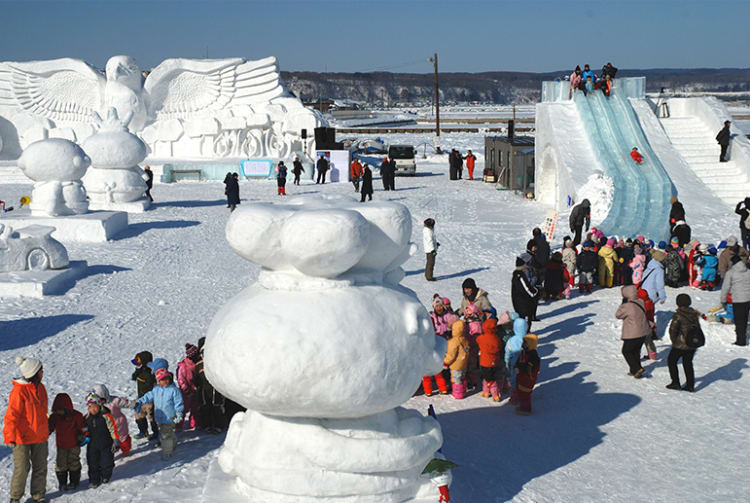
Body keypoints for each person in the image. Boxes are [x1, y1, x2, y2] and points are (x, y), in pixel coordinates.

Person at [4, 357, 48, 503]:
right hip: (21, 438)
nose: (43, 372)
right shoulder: (19, 391)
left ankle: (38, 495)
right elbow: (12, 415)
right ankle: (15, 498)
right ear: (34, 373)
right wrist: (9, 435)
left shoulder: (41, 388)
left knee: (40, 467)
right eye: (41, 370)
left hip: (40, 436)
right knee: (22, 469)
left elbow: (43, 412)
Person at [135, 367, 184, 460]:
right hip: (159, 417)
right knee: (167, 433)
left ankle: (167, 451)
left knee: (165, 435)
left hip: (170, 417)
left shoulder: (174, 390)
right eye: (162, 379)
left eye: (166, 378)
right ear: (158, 381)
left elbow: (179, 403)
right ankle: (173, 441)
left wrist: (179, 413)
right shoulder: (156, 390)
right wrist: (140, 401)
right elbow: (148, 396)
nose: (165, 381)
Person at [48, 393, 84, 491]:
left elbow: (83, 427)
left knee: (74, 463)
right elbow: (49, 427)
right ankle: (62, 483)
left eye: (60, 410)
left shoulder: (76, 416)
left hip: (74, 445)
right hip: (61, 446)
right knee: (61, 464)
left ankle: (74, 481)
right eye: (56, 410)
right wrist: (45, 432)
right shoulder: (54, 417)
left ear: (66, 408)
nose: (58, 412)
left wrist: (83, 435)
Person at [83, 393, 119, 488]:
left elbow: (113, 428)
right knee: (92, 462)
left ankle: (106, 475)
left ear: (99, 405)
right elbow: (83, 429)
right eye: (90, 407)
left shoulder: (106, 416)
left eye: (95, 407)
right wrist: (83, 436)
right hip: (92, 445)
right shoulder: (86, 418)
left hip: (106, 444)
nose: (92, 409)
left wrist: (115, 440)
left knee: (106, 462)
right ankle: (94, 480)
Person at [666, 294, 701, 391]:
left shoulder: (678, 315)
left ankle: (675, 382)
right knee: (688, 363)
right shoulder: (694, 314)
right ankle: (690, 385)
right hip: (692, 343)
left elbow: (673, 330)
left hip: (680, 344)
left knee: (671, 361)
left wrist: (674, 341)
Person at [616, 286, 650, 378]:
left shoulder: (627, 306)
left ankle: (637, 368)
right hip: (643, 332)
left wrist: (622, 304)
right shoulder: (641, 302)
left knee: (626, 351)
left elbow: (618, 315)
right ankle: (634, 371)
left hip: (632, 333)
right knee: (635, 351)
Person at [90, 384, 133, 456]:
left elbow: (125, 402)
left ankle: (126, 451)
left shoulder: (114, 401)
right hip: (107, 427)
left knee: (124, 440)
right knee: (108, 441)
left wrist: (135, 404)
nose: (100, 402)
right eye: (97, 400)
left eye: (101, 400)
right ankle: (109, 454)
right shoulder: (96, 406)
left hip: (119, 425)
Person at [721, 254, 750, 346]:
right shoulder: (748, 271)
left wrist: (723, 300)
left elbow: (725, 287)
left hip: (738, 300)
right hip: (748, 299)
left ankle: (741, 341)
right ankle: (743, 337)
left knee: (739, 321)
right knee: (745, 319)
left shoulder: (731, 273)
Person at [130, 351, 159, 441]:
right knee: (139, 415)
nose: (136, 366)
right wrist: (137, 370)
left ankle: (156, 432)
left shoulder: (151, 373)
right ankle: (143, 431)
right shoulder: (139, 372)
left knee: (152, 417)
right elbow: (133, 377)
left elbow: (155, 383)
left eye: (139, 363)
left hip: (150, 400)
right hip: (141, 399)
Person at [443, 320, 470, 399]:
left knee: (456, 378)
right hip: (464, 363)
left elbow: (451, 355)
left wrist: (445, 362)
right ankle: (463, 390)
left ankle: (458, 393)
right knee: (462, 377)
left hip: (455, 364)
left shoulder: (453, 342)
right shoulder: (465, 339)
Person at [514, 333, 540, 415]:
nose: (523, 344)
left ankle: (526, 409)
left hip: (527, 378)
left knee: (525, 394)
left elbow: (530, 368)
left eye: (525, 343)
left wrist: (521, 369)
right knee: (521, 392)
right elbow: (519, 361)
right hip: (521, 376)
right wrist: (516, 366)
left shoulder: (533, 356)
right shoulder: (524, 352)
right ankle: (522, 406)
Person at [476, 318, 502, 402]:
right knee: (488, 376)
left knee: (489, 378)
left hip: (485, 362)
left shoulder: (482, 338)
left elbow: (477, 341)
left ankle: (495, 394)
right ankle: (486, 391)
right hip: (495, 361)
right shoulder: (496, 338)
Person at [511, 254, 539, 329]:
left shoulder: (516, 275)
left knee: (522, 317)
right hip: (523, 301)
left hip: (518, 301)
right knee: (526, 318)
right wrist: (535, 292)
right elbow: (527, 288)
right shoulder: (520, 276)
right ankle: (525, 334)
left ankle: (523, 333)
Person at [177, 344, 200, 429]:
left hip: (194, 389)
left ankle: (193, 423)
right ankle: (178, 423)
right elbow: (181, 379)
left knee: (195, 408)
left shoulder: (196, 364)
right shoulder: (184, 365)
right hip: (186, 392)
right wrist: (185, 389)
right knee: (183, 409)